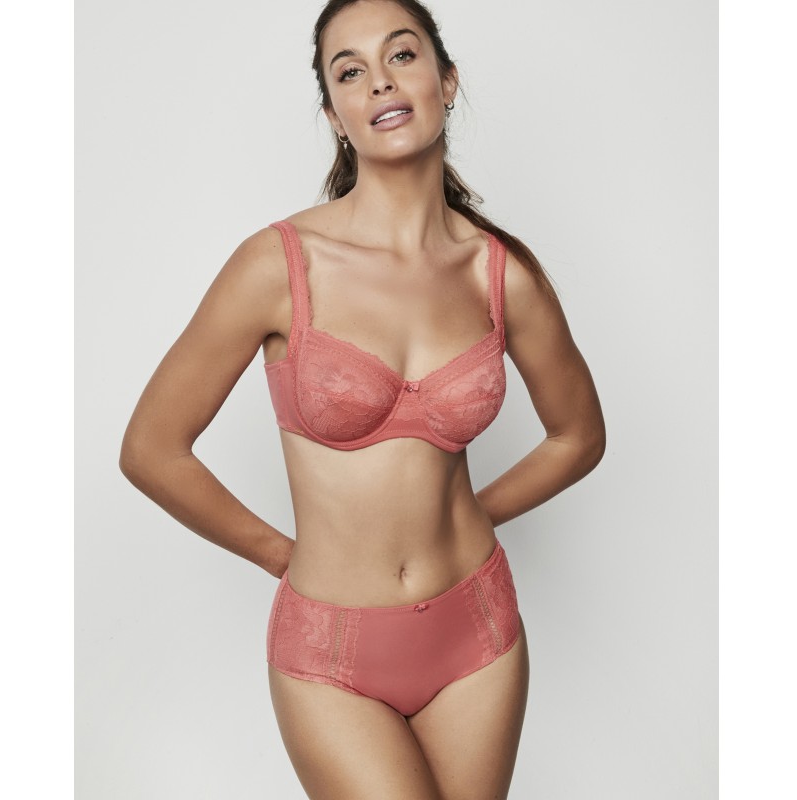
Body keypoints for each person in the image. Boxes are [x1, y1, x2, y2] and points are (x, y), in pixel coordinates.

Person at [119, 0, 606, 797]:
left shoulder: (500, 273)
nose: (380, 81)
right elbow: (151, 448)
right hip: (332, 653)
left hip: (477, 632)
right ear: (334, 115)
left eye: (402, 55)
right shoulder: (280, 265)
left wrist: (476, 512)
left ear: (447, 81)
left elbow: (578, 435)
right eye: (350, 72)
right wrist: (279, 554)